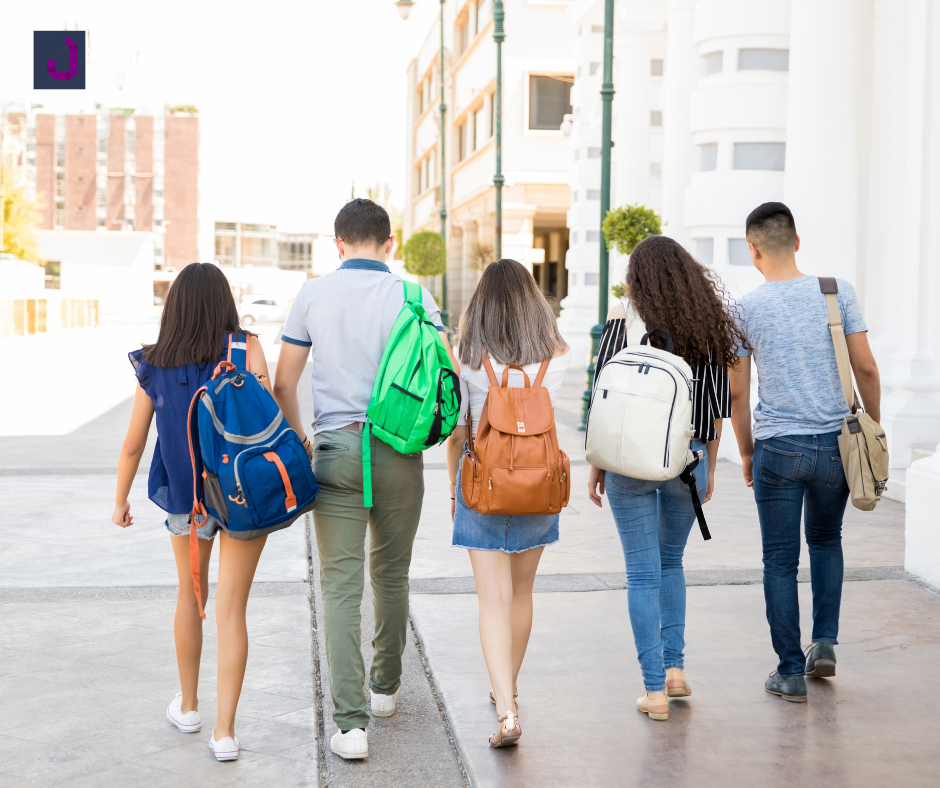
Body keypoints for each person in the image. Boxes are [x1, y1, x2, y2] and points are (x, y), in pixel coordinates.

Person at [272, 198, 454, 760]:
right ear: (390, 245)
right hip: (400, 450)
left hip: (334, 448)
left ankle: (349, 726)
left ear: (338, 244)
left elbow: (284, 383)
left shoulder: (312, 294)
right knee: (392, 575)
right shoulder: (415, 295)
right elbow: (441, 376)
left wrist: (303, 436)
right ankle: (385, 689)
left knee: (340, 587)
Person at [113, 263, 274, 762]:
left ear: (175, 306)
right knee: (232, 609)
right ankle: (224, 733)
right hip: (245, 495)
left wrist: (119, 499)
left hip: (188, 497)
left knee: (191, 597)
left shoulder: (157, 361)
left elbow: (135, 444)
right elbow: (269, 416)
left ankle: (188, 707)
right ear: (225, 301)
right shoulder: (246, 349)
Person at [729, 202, 881, 702]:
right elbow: (867, 370)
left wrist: (746, 451)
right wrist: (871, 425)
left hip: (778, 446)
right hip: (837, 445)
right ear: (797, 242)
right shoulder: (836, 294)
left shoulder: (745, 309)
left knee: (778, 561)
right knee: (826, 539)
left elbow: (737, 392)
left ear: (754, 251)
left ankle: (790, 672)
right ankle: (825, 641)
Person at [587, 235, 741, 721]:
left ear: (636, 277)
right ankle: (674, 670)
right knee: (671, 563)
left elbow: (602, 394)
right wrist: (710, 462)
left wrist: (596, 464)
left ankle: (654, 691)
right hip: (686, 459)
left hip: (628, 459)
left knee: (642, 572)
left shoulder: (622, 317)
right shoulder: (705, 320)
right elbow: (716, 406)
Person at [446, 259, 571, 747]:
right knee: (521, 595)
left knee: (491, 599)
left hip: (483, 483)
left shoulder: (471, 355)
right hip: (539, 486)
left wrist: (453, 489)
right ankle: (507, 691)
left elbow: (458, 431)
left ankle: (507, 711)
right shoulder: (556, 354)